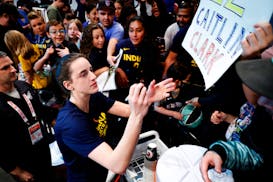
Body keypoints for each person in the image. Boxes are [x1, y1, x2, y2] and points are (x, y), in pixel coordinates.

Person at [54, 53, 175, 181]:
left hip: (104, 171)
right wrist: (137, 115)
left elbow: (129, 111)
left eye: (90, 70)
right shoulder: (70, 124)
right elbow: (117, 165)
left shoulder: (93, 97)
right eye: (83, 74)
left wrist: (147, 99)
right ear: (68, 85)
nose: (93, 76)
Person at [0, 51, 56, 182]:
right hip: (23, 161)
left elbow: (42, 110)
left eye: (12, 65)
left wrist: (57, 123)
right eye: (5, 68)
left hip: (43, 148)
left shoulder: (23, 86)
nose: (13, 69)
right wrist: (17, 171)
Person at [97, 0, 124, 66]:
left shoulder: (118, 28)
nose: (106, 17)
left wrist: (109, 55)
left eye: (110, 14)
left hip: (112, 63)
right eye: (103, 14)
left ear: (114, 14)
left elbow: (112, 42)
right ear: (97, 14)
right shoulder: (96, 26)